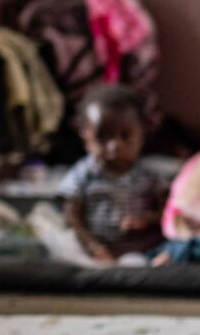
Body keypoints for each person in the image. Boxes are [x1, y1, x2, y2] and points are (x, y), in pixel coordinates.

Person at [59, 84, 165, 263]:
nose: (115, 146)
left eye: (125, 136)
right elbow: (72, 218)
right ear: (86, 137)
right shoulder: (82, 175)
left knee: (172, 248)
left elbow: (167, 212)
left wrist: (147, 219)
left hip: (140, 244)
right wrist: (92, 246)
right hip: (99, 245)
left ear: (142, 135)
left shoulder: (149, 177)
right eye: (103, 137)